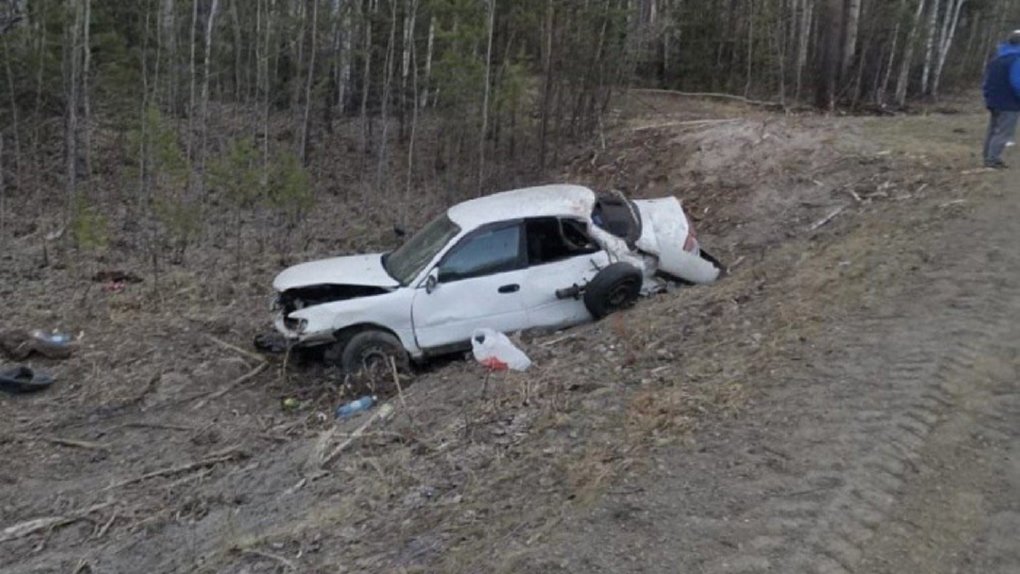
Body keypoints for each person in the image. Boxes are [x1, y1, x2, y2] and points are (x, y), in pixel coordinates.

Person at [982, 30, 1020, 169]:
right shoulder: (1017, 59)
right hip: (1009, 103)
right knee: (1004, 132)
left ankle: (988, 157)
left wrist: (987, 96)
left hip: (994, 100)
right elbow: (1017, 82)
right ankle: (992, 160)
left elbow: (986, 81)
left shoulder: (997, 57)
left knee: (992, 130)